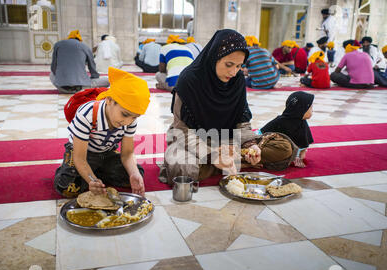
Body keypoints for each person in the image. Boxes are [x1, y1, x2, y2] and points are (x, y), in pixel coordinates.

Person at [158, 29, 299, 185]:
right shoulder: (189, 80)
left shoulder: (237, 80)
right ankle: (228, 163)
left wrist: (251, 147)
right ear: (214, 58)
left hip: (229, 141)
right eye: (229, 64)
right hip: (195, 142)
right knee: (182, 169)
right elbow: (182, 131)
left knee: (284, 148)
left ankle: (226, 163)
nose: (233, 72)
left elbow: (242, 122)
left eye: (239, 66)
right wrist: (213, 155)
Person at [54, 67, 150, 198]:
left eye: (134, 117)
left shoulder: (130, 119)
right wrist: (91, 181)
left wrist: (134, 174)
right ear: (109, 100)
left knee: (136, 174)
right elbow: (80, 158)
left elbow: (127, 154)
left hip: (107, 153)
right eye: (125, 114)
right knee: (67, 186)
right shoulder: (87, 114)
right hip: (83, 154)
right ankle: (87, 172)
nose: (127, 122)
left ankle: (96, 171)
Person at [259, 91, 314, 168]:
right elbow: (261, 133)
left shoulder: (302, 123)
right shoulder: (281, 120)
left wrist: (301, 154)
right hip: (275, 146)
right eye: (310, 107)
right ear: (301, 109)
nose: (312, 110)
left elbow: (303, 140)